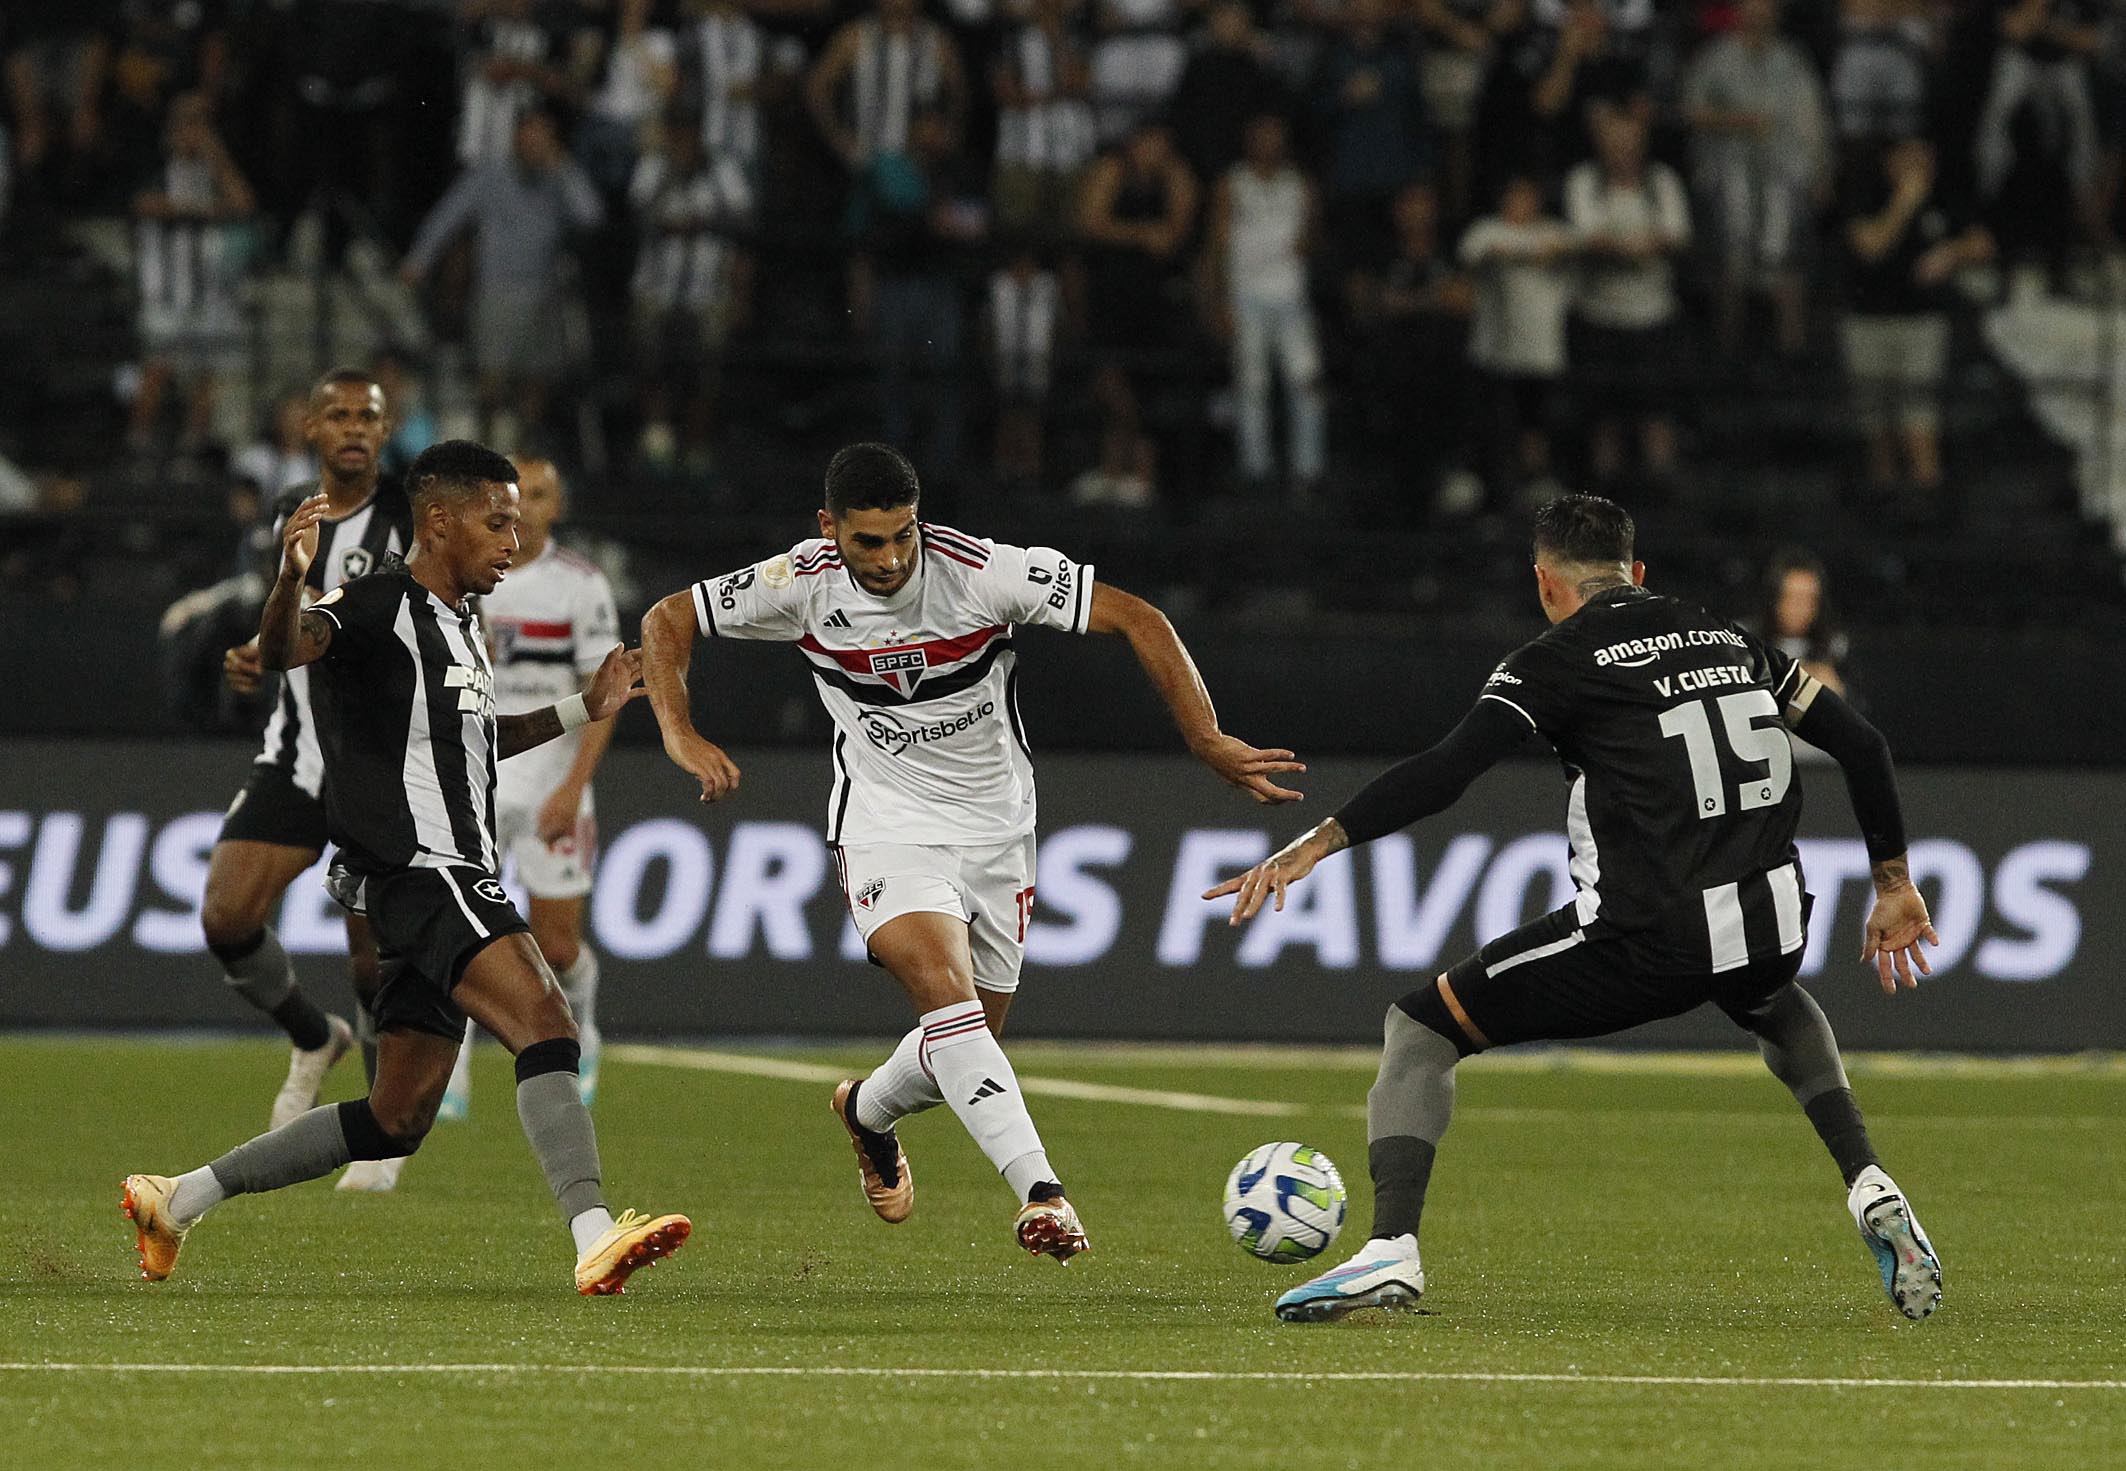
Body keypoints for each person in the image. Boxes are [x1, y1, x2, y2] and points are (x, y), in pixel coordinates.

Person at [1207, 494, 1943, 1326]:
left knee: (1419, 1028)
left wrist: (1314, 843)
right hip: (1774, 917)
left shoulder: (1555, 657)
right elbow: (1864, 744)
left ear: (1545, 584)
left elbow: (1449, 769)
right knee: (1771, 998)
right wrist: (1892, 882)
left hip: (1645, 936)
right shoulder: (1726, 636)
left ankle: (1390, 1250)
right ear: (1636, 571)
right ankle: (1868, 1181)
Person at [638, 442, 1303, 1261]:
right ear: (828, 528)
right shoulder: (797, 584)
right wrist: (679, 732)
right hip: (886, 823)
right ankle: (1043, 1193)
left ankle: (867, 1111)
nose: (888, 559)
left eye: (902, 536)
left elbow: (1139, 616)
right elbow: (667, 618)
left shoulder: (984, 572)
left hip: (1000, 830)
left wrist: (1204, 738)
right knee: (944, 995)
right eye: (867, 541)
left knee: (966, 1037)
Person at [124, 440, 690, 1296]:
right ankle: (593, 1235)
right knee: (546, 1021)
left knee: (397, 1116)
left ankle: (178, 1198)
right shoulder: (380, 600)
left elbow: (473, 742)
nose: (514, 536)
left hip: (435, 871)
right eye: (496, 520)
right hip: (423, 868)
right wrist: (289, 580)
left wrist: (585, 704)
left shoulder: (462, 621)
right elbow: (288, 648)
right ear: (437, 520)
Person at [208, 369, 406, 1135]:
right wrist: (257, 652)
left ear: (385, 432)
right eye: (339, 414)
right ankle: (314, 1036)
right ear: (311, 429)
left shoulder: (410, 519)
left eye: (368, 415)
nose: (354, 426)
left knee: (370, 960)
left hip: (376, 761)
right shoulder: (293, 510)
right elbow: (283, 621)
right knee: (226, 915)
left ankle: (383, 1129)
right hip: (295, 752)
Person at [434, 456, 621, 1139]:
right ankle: (448, 1075)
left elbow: (605, 697)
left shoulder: (580, 586)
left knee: (556, 944)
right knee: (457, 937)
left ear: (557, 502)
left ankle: (584, 1030)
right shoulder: (466, 574)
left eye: (538, 495)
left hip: (550, 780)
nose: (524, 510)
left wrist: (573, 787)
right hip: (476, 779)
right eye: (512, 499)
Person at [401, 106, 604, 444]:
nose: (534, 141)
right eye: (529, 132)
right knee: (491, 379)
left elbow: (591, 216)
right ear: (516, 136)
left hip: (544, 294)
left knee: (536, 381)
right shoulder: (490, 176)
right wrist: (420, 257)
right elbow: (449, 214)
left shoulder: (559, 179)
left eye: (543, 134)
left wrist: (563, 168)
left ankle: (525, 451)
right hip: (497, 292)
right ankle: (488, 448)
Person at [1839, 136, 1992, 510]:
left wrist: (1951, 252)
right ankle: (1885, 512)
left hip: (1921, 325)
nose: (1920, 167)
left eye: (1926, 158)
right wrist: (1903, 204)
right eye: (1911, 158)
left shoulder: (1943, 200)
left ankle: (1927, 511)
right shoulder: (1867, 196)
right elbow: (1870, 246)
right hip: (1869, 324)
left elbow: (1984, 243)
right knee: (1878, 429)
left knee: (1918, 421)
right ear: (1890, 161)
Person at [1681, 0, 1832, 357]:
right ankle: (1727, 358)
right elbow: (1691, 111)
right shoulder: (1715, 58)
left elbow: (1814, 119)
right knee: (1730, 268)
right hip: (1728, 176)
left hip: (1784, 177)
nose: (1761, 12)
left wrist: (1821, 170)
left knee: (1788, 269)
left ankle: (1789, 363)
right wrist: (1740, 121)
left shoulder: (1793, 59)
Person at [1562, 108, 1690, 491]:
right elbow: (1585, 237)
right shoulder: (1584, 181)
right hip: (1598, 316)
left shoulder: (1661, 181)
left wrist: (1620, 245)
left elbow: (1678, 234)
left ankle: (1662, 495)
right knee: (1604, 419)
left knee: (1656, 413)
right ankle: (1606, 496)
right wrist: (1639, 246)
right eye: (1613, 141)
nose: (1622, 149)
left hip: (1653, 317)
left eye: (1629, 140)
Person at [1203, 113, 1326, 496]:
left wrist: (1299, 244)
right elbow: (1218, 244)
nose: (1268, 144)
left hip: (1290, 297)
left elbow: (1312, 235)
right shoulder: (1233, 184)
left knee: (1305, 381)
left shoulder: (1299, 185)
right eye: (1261, 135)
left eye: (1275, 136)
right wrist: (1219, 299)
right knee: (1251, 384)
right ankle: (1255, 469)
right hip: (1246, 296)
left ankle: (1308, 470)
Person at [129, 91, 256, 458]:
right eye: (187, 123)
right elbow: (143, 204)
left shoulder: (210, 173)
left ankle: (191, 451)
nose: (193, 132)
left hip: (208, 294)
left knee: (206, 375)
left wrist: (215, 153)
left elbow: (243, 202)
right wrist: (208, 211)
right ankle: (138, 445)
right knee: (158, 368)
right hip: (165, 295)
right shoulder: (157, 168)